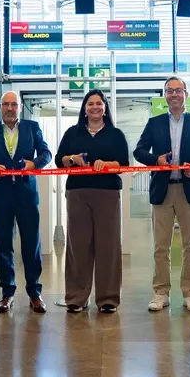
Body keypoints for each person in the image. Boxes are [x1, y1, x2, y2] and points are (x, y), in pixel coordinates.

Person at [133, 76, 190, 313]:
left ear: (185, 94)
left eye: (178, 90)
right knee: (160, 246)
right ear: (165, 95)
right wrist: (156, 160)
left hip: (189, 189)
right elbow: (139, 151)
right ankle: (161, 292)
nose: (174, 94)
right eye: (169, 91)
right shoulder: (154, 123)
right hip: (163, 190)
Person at [0, 91, 52, 314]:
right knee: (3, 244)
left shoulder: (32, 127)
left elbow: (46, 153)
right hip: (0, 194)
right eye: (6, 104)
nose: (10, 108)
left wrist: (34, 164)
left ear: (20, 107)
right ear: (0, 107)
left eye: (14, 105)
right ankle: (7, 293)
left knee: (32, 243)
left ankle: (34, 292)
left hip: (26, 193)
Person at [55, 89, 129, 314]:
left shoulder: (115, 134)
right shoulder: (72, 133)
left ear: (105, 107)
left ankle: (108, 299)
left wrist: (107, 164)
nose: (95, 107)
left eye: (99, 103)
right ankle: (77, 298)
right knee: (78, 246)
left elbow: (124, 163)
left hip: (107, 194)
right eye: (90, 104)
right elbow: (59, 160)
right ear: (84, 109)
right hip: (78, 193)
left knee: (108, 246)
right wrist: (71, 159)